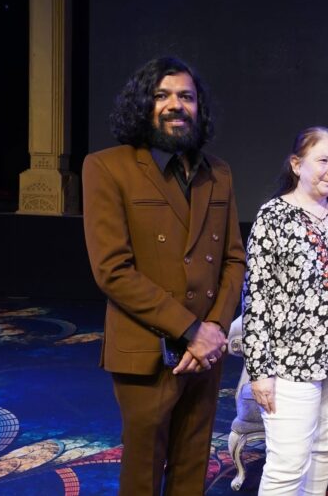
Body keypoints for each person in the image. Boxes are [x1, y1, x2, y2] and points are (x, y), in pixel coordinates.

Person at [82, 57, 246, 495]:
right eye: (162, 95)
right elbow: (112, 270)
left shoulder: (218, 173)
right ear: (143, 104)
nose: (176, 105)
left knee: (193, 467)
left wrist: (214, 329)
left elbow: (233, 260)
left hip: (205, 352)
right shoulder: (107, 167)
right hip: (147, 348)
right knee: (143, 472)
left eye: (186, 97)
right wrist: (190, 330)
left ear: (199, 107)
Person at [242, 126, 328, 495]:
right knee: (286, 466)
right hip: (291, 362)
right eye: (323, 160)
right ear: (296, 164)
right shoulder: (273, 216)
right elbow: (256, 296)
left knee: (323, 453)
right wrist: (259, 370)